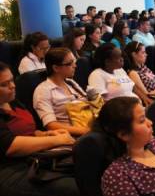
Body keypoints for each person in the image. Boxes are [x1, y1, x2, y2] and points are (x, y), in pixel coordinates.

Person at [0, 61, 79, 196]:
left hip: (34, 157)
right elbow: (10, 146)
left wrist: (45, 134)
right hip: (10, 168)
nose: (12, 86)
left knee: (88, 169)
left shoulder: (11, 100)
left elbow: (26, 131)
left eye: (12, 80)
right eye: (4, 84)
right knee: (74, 188)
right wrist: (57, 140)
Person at [33, 48, 90, 136]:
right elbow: (51, 125)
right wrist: (86, 131)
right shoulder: (43, 91)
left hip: (87, 126)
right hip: (72, 135)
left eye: (74, 62)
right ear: (56, 68)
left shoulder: (70, 82)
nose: (75, 66)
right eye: (70, 63)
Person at [124, 41, 155, 106]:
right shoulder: (133, 73)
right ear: (134, 54)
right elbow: (147, 94)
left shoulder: (144, 67)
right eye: (143, 52)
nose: (146, 54)